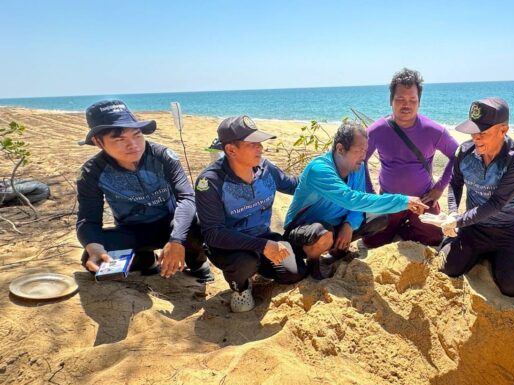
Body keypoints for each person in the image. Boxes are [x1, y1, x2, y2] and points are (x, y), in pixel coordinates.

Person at [76, 100, 212, 283]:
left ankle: (197, 263)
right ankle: (146, 260)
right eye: (119, 139)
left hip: (173, 225)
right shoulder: (92, 172)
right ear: (98, 142)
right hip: (132, 232)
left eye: (137, 135)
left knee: (195, 222)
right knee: (92, 259)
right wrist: (94, 249)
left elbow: (187, 198)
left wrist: (177, 239)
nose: (133, 145)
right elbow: (88, 219)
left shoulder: (162, 156)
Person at [283, 122, 429, 279]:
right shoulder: (319, 169)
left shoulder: (356, 167)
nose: (363, 156)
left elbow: (359, 201)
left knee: (380, 217)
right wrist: (403, 201)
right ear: (340, 149)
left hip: (334, 227)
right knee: (323, 232)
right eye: (358, 151)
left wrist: (349, 225)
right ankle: (314, 263)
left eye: (365, 151)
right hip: (303, 233)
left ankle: (337, 250)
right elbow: (352, 199)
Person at [195, 116, 305, 312]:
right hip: (228, 247)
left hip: (263, 237)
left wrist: (324, 173)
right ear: (230, 150)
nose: (260, 148)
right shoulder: (210, 182)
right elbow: (213, 233)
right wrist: (263, 246)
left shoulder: (266, 168)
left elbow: (294, 185)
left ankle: (259, 268)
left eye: (260, 143)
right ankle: (241, 286)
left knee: (294, 274)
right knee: (245, 263)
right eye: (253, 144)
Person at [440, 98, 514, 297]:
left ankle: (510, 256)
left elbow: (497, 203)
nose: (476, 138)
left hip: (510, 230)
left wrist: (459, 220)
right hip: (474, 228)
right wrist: (453, 214)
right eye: (473, 132)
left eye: (483, 133)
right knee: (448, 269)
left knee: (513, 289)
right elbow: (454, 184)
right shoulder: (464, 152)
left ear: (503, 130)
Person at [361, 68, 458, 248]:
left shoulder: (433, 130)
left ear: (419, 102)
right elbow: (360, 160)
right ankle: (401, 226)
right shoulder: (376, 130)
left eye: (412, 100)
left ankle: (406, 227)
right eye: (400, 99)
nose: (406, 105)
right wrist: (371, 194)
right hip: (389, 200)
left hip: (423, 199)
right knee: (371, 241)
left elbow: (458, 155)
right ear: (391, 101)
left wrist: (439, 188)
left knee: (434, 239)